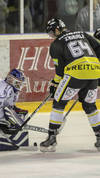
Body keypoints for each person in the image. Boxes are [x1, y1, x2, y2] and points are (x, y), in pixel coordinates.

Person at [40, 18, 100, 152]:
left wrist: (55, 84)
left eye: (51, 32)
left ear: (57, 29)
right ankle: (99, 136)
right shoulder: (82, 34)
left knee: (58, 103)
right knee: (90, 105)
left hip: (75, 74)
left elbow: (60, 70)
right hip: (95, 73)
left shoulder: (56, 44)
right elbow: (98, 47)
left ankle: (51, 137)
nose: (51, 36)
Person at [0, 68, 28, 151]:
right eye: (19, 83)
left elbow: (7, 105)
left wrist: (13, 110)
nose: (20, 85)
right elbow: (4, 106)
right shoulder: (7, 89)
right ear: (12, 80)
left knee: (16, 116)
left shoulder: (9, 88)